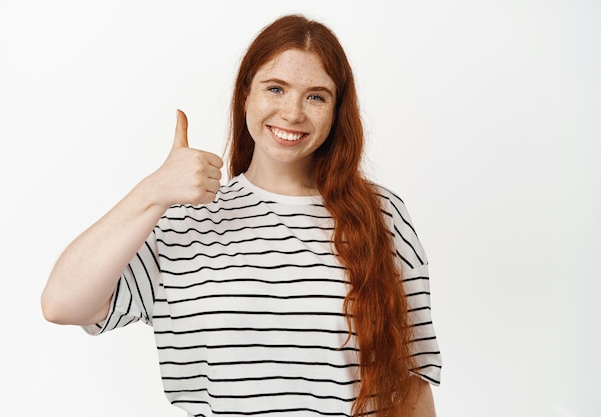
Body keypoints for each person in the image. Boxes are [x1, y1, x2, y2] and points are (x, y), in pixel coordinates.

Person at [42, 14, 442, 417]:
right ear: (245, 94)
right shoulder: (185, 221)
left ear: (337, 110)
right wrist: (154, 190)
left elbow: (412, 380)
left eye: (316, 96)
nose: (293, 113)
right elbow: (62, 304)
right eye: (275, 88)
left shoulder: (382, 216)